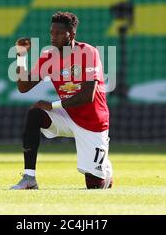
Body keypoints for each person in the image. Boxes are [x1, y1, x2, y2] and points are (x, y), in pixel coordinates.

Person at [11, 11, 113, 190]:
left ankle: (105, 170)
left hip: (93, 122)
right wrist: (20, 56)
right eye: (52, 32)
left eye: (58, 33)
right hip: (67, 116)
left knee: (95, 186)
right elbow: (23, 87)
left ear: (72, 34)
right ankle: (29, 178)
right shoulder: (48, 57)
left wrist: (52, 105)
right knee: (35, 114)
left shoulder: (89, 53)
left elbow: (87, 96)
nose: (53, 37)